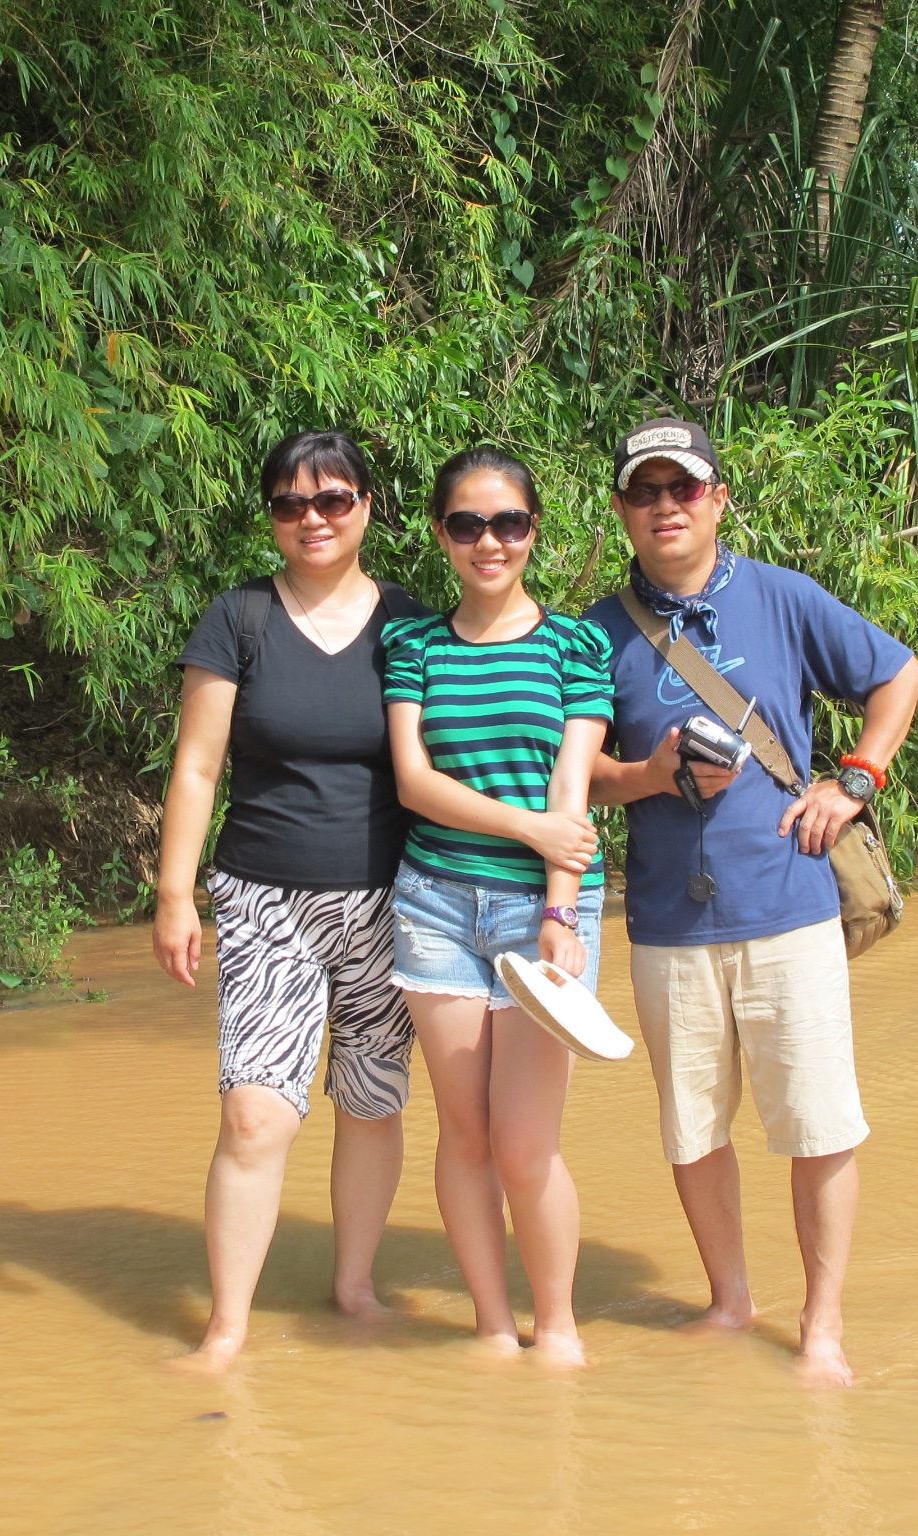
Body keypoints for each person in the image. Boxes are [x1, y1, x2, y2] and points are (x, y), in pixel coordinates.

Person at [585, 417, 918, 1388]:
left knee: (816, 1127)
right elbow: (580, 781)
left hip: (788, 909)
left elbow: (898, 673)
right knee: (691, 1132)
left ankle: (821, 1330)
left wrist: (854, 777)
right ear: (619, 510)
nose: (664, 507)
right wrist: (648, 774)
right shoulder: (597, 635)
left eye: (681, 489)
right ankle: (729, 1301)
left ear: (717, 500)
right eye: (643, 492)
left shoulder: (780, 598)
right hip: (665, 923)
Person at [153, 429, 431, 1373]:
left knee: (370, 1100)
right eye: (288, 503)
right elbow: (197, 766)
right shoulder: (238, 619)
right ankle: (226, 1327)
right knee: (253, 1114)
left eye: (332, 500)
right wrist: (173, 892)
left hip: (393, 901)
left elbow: (455, 758)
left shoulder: (412, 622)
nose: (310, 519)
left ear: (366, 506)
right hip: (265, 899)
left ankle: (353, 1287)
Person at [381, 446, 615, 1368]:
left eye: (509, 523)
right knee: (466, 1133)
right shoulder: (413, 646)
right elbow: (412, 781)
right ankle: (488, 1324)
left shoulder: (575, 645)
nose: (490, 541)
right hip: (434, 904)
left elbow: (575, 793)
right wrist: (534, 832)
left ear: (532, 532)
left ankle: (555, 1325)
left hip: (543, 914)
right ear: (442, 534)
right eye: (468, 524)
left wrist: (560, 914)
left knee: (525, 1143)